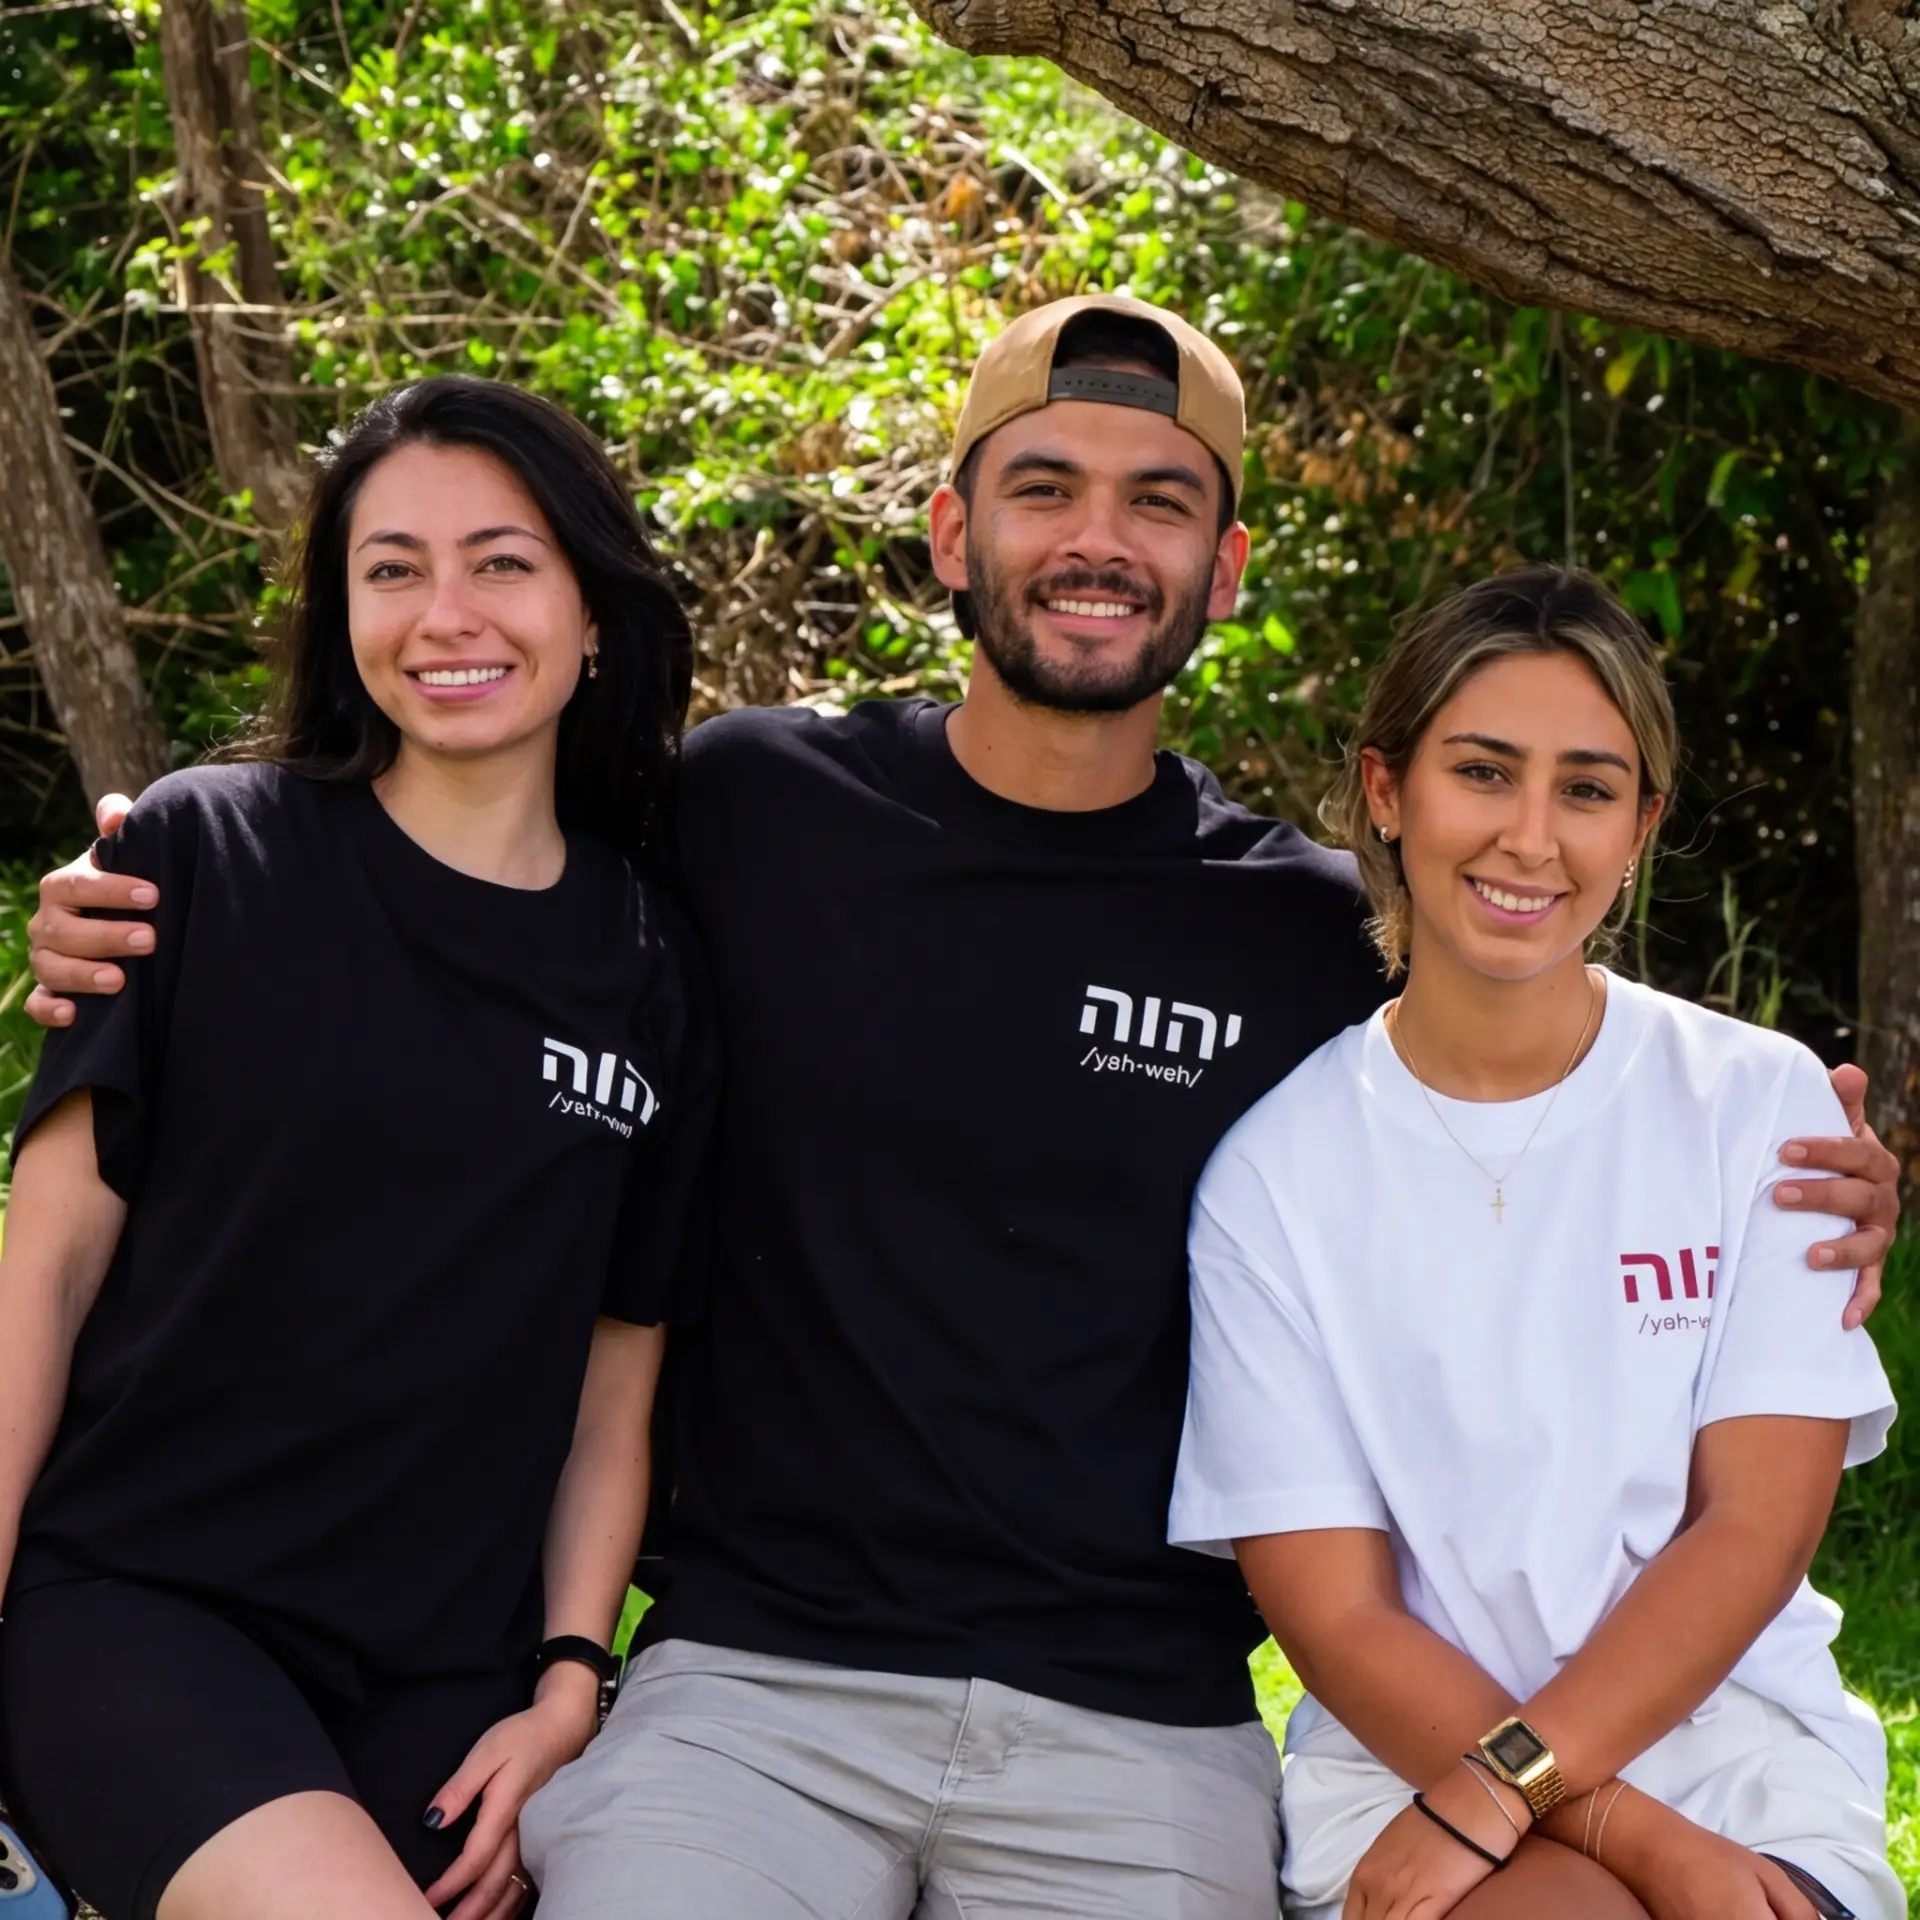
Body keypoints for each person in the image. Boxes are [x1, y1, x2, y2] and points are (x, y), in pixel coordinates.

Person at [22, 299, 1901, 1918]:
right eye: (1045, 488)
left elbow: (1526, 1084)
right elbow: (459, 850)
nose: (1100, 539)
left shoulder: (1308, 934)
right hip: (754, 1684)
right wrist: (160, 882)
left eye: (1160, 501)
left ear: (1227, 567)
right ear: (950, 532)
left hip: (1135, 1716)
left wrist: (1790, 1172)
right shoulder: (746, 808)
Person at [0, 377, 716, 1920]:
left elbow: (613, 1379)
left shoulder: (656, 967)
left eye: (503, 562)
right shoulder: (197, 854)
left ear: (595, 613)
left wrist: (566, 1685)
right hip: (146, 1609)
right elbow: (39, 1280)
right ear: (343, 614)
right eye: (394, 568)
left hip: (441, 1680)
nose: (446, 615)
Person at [1171, 567, 1900, 1920]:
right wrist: (1575, 1816)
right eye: (1483, 772)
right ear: (1387, 791)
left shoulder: (1759, 1107)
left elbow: (1752, 1526)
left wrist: (1537, 1795)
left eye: (1587, 788)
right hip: (1412, 1764)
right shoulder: (1275, 1175)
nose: (1530, 837)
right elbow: (1337, 1613)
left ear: (1642, 825)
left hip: (1737, 1753)